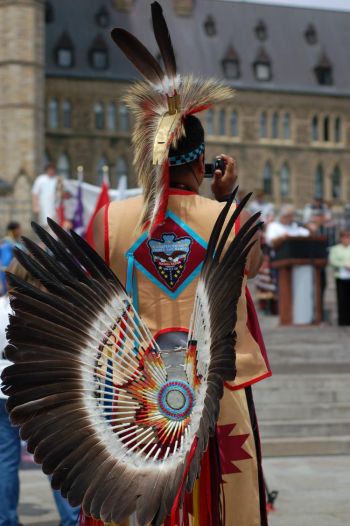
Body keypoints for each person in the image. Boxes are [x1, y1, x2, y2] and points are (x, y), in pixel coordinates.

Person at [0, 259, 80, 526]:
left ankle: (6, 520)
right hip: (40, 390)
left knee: (5, 461)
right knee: (56, 458)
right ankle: (72, 519)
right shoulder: (48, 309)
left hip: (2, 391)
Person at [329, 230, 350, 326]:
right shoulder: (335, 249)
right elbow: (333, 261)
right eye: (344, 237)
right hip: (341, 276)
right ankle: (343, 320)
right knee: (342, 299)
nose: (346, 240)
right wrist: (344, 265)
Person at [32, 163, 58, 227]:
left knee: (53, 226)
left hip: (54, 207)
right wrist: (35, 206)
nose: (51, 171)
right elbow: (35, 193)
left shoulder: (57, 180)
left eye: (53, 169)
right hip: (43, 206)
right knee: (44, 225)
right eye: (50, 169)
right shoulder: (40, 179)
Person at [0, 222, 23, 296]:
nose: (20, 231)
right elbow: (6, 263)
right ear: (13, 230)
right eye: (18, 229)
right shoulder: (7, 244)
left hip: (18, 274)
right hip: (10, 275)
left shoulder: (16, 242)